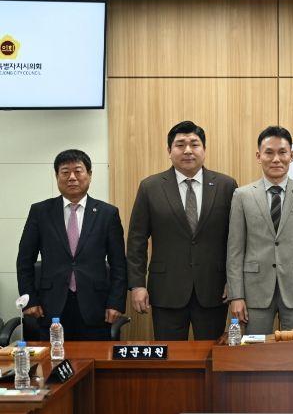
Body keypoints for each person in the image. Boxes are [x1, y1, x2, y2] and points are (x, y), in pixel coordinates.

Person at [127, 121, 238, 340]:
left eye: (194, 144)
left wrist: (233, 281)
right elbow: (136, 241)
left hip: (214, 288)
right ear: (169, 150)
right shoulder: (150, 187)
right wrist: (137, 285)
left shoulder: (226, 185)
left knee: (211, 353)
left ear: (204, 149)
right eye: (180, 145)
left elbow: (235, 239)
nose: (187, 150)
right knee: (170, 354)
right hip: (167, 289)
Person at [16, 149, 127, 340]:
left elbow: (119, 264)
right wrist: (29, 300)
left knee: (95, 357)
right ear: (57, 176)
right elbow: (24, 260)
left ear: (89, 175)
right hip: (50, 307)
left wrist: (116, 302)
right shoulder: (40, 212)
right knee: (53, 358)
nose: (72, 177)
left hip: (96, 306)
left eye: (78, 171)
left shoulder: (108, 213)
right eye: (65, 172)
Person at [226, 126, 293, 333]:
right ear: (258, 156)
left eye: (282, 152)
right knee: (254, 349)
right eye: (269, 152)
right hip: (254, 290)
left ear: (292, 155)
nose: (276, 159)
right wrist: (236, 295)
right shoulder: (242, 196)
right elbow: (235, 250)